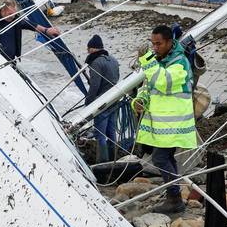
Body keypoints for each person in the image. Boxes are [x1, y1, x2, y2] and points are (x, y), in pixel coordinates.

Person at [132, 24, 197, 215]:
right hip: (163, 124)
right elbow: (148, 86)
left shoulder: (180, 62)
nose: (155, 48)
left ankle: (174, 198)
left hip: (174, 124)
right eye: (153, 44)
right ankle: (173, 195)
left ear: (170, 42)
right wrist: (139, 100)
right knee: (165, 157)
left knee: (161, 157)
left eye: (158, 44)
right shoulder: (161, 61)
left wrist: (147, 60)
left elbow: (163, 82)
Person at [84, 34, 120, 163]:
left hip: (101, 103)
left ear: (93, 49)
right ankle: (113, 161)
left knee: (101, 135)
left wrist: (88, 102)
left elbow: (95, 85)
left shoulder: (96, 62)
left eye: (88, 49)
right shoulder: (114, 60)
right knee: (111, 133)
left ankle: (103, 163)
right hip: (114, 100)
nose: (87, 52)